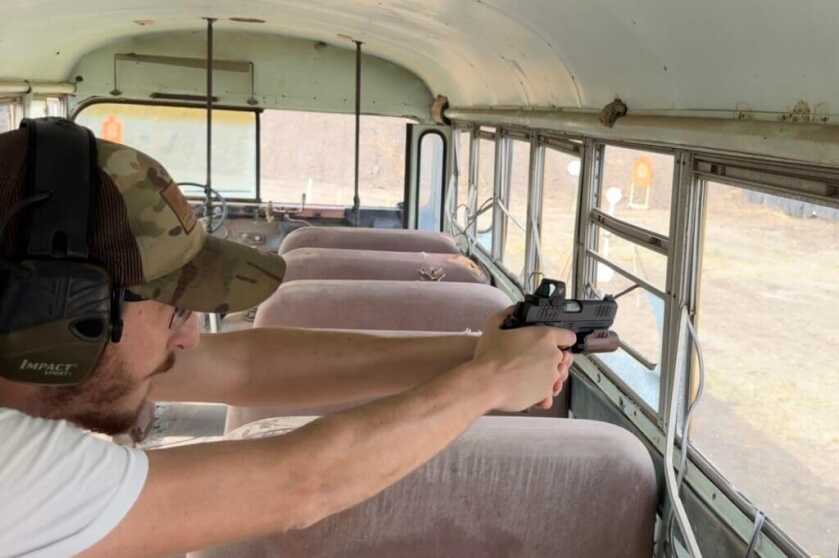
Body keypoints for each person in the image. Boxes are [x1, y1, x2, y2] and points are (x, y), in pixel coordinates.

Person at [0, 122, 574, 557]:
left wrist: (478, 353)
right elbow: (301, 485)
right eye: (176, 308)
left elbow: (245, 370)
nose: (194, 337)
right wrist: (486, 383)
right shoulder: (12, 471)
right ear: (64, 312)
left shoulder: (45, 353)